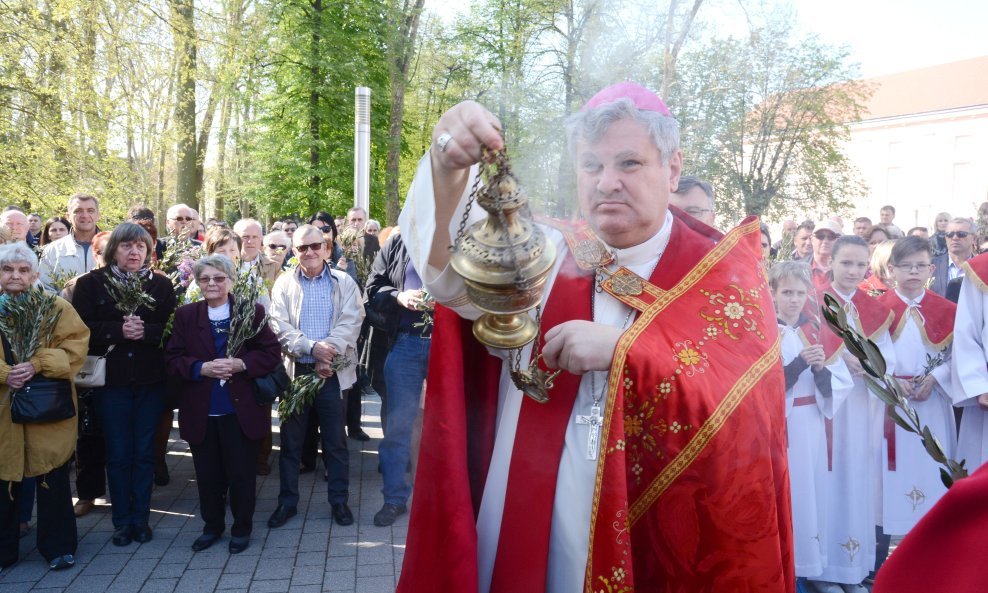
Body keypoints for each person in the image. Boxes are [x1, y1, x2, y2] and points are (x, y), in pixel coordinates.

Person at [396, 84, 793, 593]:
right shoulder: (544, 250)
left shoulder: (722, 272)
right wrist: (449, 163)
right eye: (591, 166)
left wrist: (626, 351)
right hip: (531, 510)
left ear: (671, 169)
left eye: (629, 164)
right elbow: (448, 277)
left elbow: (748, 416)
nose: (608, 183)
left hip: (660, 529)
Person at [165, 254, 281, 554]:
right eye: (205, 279)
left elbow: (271, 353)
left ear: (230, 281)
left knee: (241, 475)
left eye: (219, 278)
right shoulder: (186, 315)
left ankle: (242, 529)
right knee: (208, 476)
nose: (212, 284)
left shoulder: (249, 311)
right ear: (197, 282)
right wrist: (200, 368)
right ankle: (212, 527)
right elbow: (172, 359)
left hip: (239, 409)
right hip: (202, 409)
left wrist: (242, 363)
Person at [71, 223, 177, 547]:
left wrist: (145, 332)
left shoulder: (161, 285)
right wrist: (118, 331)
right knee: (117, 453)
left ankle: (141, 520)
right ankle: (121, 522)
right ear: (113, 248)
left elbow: (173, 330)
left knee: (144, 452)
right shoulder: (91, 284)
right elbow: (80, 327)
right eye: (127, 246)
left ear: (149, 252)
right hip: (110, 382)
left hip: (149, 381)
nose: (134, 252)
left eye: (141, 247)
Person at [267, 224, 365, 529]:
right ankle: (287, 503)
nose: (308, 252)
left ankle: (339, 502)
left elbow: (353, 320)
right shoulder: (284, 283)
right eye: (301, 248)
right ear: (294, 252)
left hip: (333, 373)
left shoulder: (344, 282)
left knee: (335, 442)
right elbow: (277, 325)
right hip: (297, 372)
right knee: (292, 443)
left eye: (314, 246)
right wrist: (311, 348)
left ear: (325, 247)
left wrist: (329, 355)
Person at [0, 243, 89, 574]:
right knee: (3, 479)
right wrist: (6, 373)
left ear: (35, 274)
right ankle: (5, 550)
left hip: (47, 409)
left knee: (52, 478)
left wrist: (37, 364)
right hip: (3, 413)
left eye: (23, 270)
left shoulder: (55, 307)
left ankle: (59, 547)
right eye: (8, 269)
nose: (15, 276)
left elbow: (76, 348)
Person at [816, 235, 896, 593]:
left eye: (860, 264)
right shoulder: (812, 301)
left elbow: (887, 359)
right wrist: (838, 360)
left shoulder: (875, 307)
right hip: (826, 411)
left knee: (859, 484)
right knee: (827, 483)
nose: (853, 271)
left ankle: (854, 570)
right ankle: (823, 571)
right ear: (829, 262)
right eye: (845, 263)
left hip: (863, 409)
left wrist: (871, 364)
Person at [772, 261, 851, 587]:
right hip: (780, 429)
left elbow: (840, 387)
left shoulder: (817, 331)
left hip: (811, 425)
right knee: (786, 496)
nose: (793, 299)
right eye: (786, 292)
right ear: (773, 294)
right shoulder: (762, 331)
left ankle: (809, 568)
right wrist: (798, 364)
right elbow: (759, 387)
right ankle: (782, 569)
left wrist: (819, 369)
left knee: (811, 495)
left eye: (799, 292)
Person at [876, 237, 956, 548]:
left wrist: (935, 379)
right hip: (891, 404)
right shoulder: (877, 309)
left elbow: (958, 357)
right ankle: (884, 549)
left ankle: (932, 546)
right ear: (891, 269)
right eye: (906, 266)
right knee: (888, 480)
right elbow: (868, 355)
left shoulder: (947, 310)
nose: (913, 272)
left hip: (932, 402)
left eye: (920, 266)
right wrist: (891, 381)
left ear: (931, 269)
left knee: (931, 468)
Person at [365, 232, 432, 526]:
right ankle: (394, 499)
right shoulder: (401, 240)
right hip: (407, 342)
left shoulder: (463, 231)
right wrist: (399, 296)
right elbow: (373, 287)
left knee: (453, 424)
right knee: (398, 426)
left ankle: (445, 498)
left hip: (451, 344)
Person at [39, 193, 101, 292]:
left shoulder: (114, 246)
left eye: (90, 211)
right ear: (68, 217)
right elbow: (45, 289)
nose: (85, 215)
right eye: (78, 211)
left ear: (98, 215)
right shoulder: (53, 250)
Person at [931, 218, 975, 297]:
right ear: (945, 238)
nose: (954, 238)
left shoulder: (983, 266)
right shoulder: (931, 265)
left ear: (974, 238)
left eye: (961, 234)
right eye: (950, 234)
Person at [233, 218, 281, 287]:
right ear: (235, 238)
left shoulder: (274, 267)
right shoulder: (225, 266)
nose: (250, 242)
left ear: (261, 238)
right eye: (245, 237)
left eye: (255, 237)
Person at [810, 219, 842, 289]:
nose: (825, 241)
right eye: (820, 236)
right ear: (812, 240)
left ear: (840, 240)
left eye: (831, 237)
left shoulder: (848, 270)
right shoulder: (797, 269)